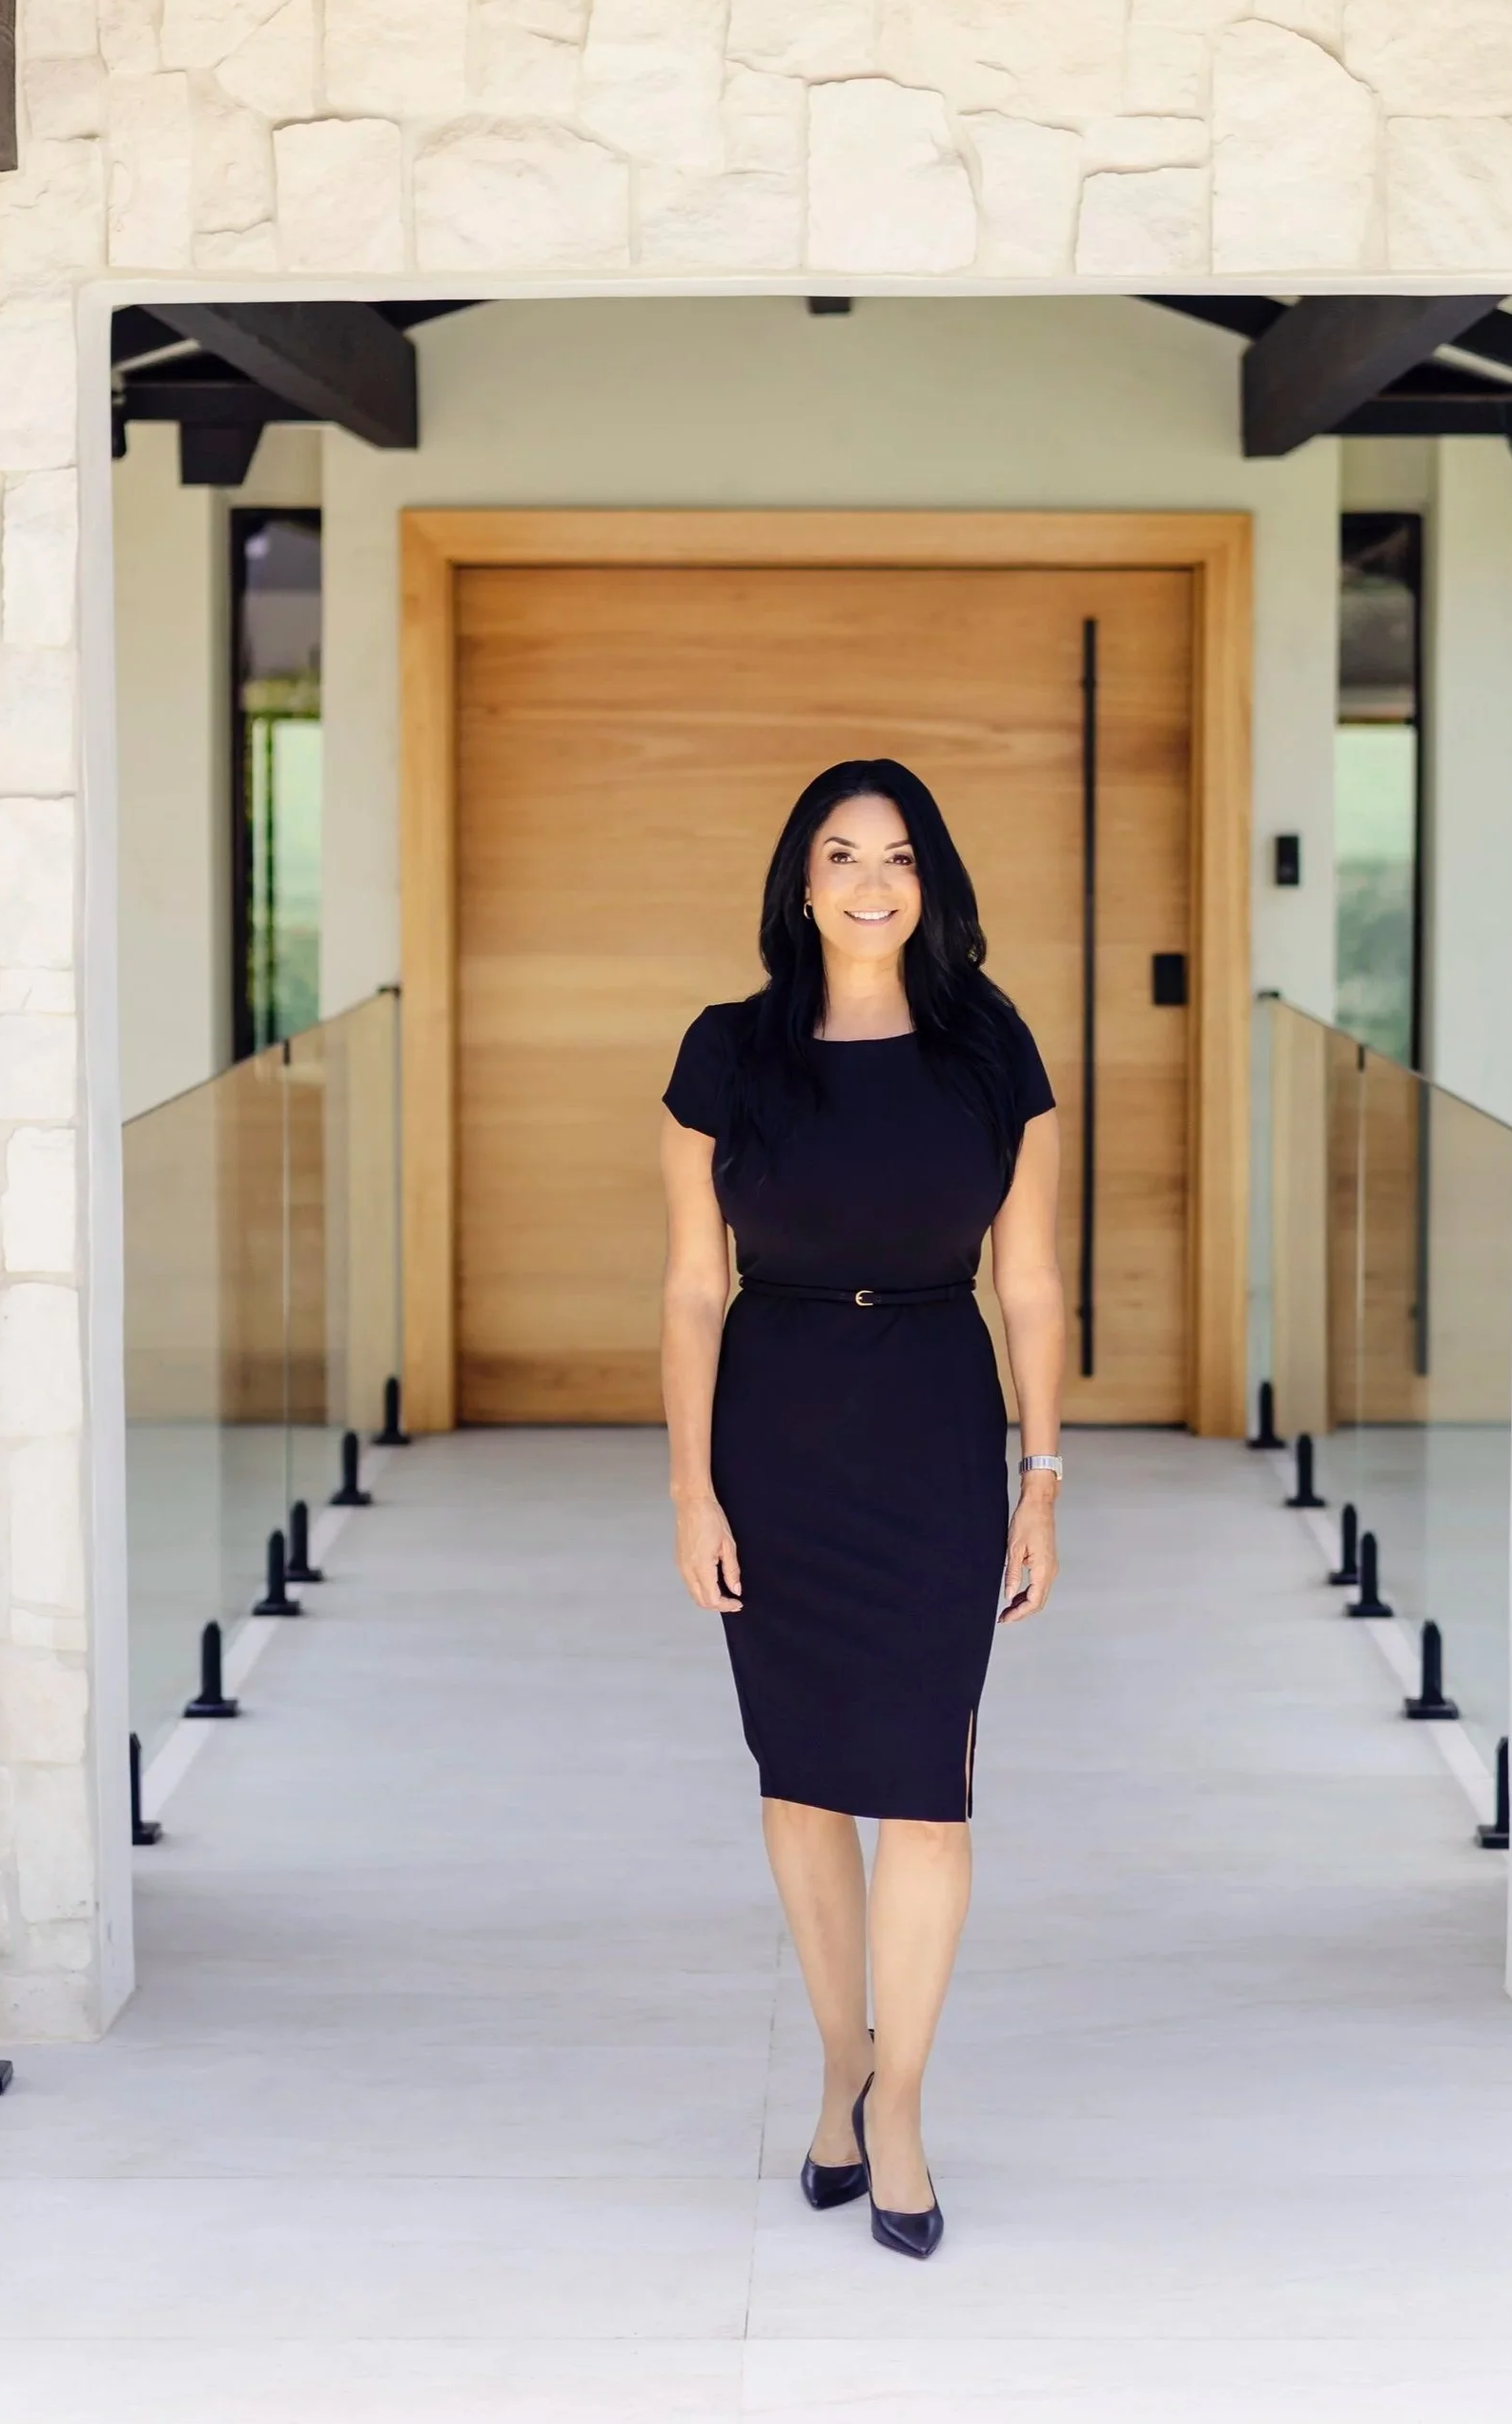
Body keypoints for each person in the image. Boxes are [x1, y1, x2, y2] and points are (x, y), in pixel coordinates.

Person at [659, 758, 1065, 2260]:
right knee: (801, 1780)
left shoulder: (987, 1047)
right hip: (774, 1435)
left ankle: (900, 2106)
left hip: (934, 1432)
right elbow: (695, 1285)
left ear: (930, 878)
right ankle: (846, 2056)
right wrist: (692, 1483)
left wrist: (1043, 1477)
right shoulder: (725, 1052)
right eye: (841, 852)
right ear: (800, 879)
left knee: (929, 1793)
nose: (871, 879)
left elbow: (1026, 1281)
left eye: (897, 854)